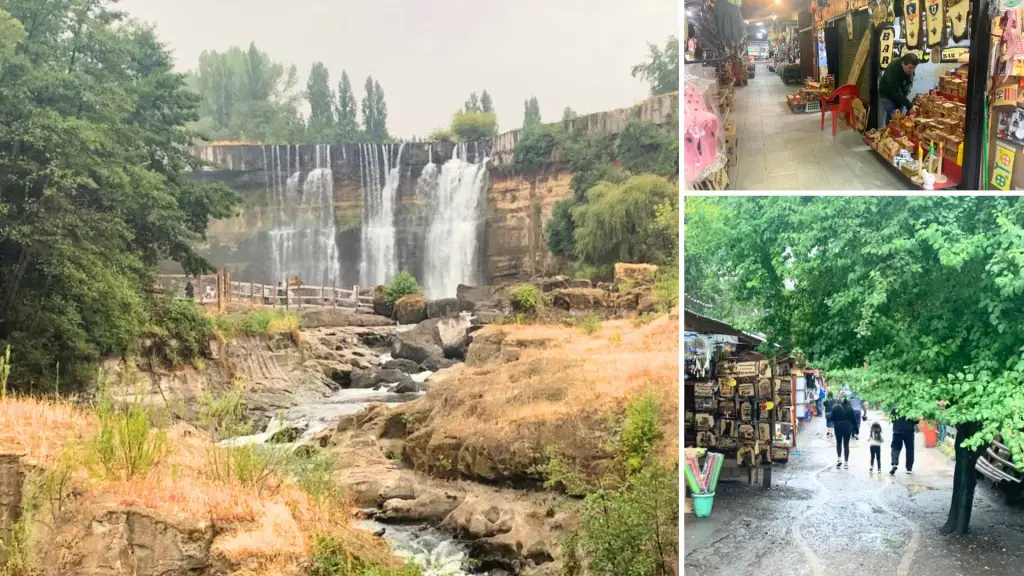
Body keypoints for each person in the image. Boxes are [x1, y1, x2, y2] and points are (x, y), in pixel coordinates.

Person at [880, 53, 919, 125]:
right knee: (895, 118)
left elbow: (909, 80)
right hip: (888, 96)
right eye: (910, 68)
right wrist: (909, 106)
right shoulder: (893, 69)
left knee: (898, 117)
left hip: (900, 96)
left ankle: (893, 132)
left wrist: (909, 87)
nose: (912, 70)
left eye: (914, 68)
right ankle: (889, 133)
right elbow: (896, 91)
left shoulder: (910, 67)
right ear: (903, 63)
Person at [833, 398, 856, 468]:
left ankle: (839, 459)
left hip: (838, 428)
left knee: (839, 443)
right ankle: (846, 463)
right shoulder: (851, 409)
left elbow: (831, 418)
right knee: (846, 445)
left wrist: (836, 421)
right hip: (847, 428)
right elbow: (854, 420)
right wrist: (856, 430)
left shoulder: (836, 408)